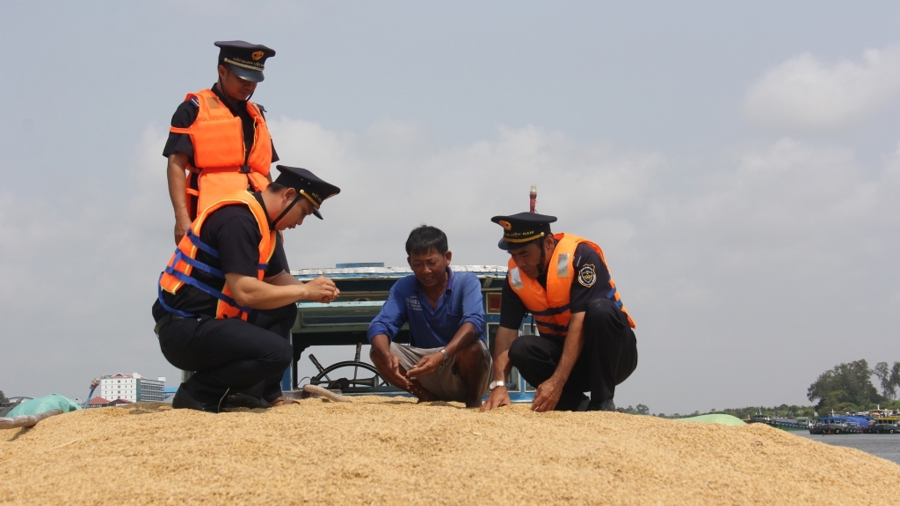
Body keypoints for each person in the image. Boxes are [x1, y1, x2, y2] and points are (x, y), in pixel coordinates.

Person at [152, 165, 341, 412]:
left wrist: (315, 291)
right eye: (303, 212)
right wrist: (305, 292)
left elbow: (276, 277)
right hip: (184, 329)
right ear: (288, 195)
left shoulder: (265, 225)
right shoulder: (238, 219)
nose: (300, 222)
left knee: (284, 309)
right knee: (278, 353)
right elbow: (244, 292)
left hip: (211, 324)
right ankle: (197, 393)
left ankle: (250, 393)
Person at [480, 212, 638, 413]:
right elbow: (506, 332)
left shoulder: (582, 258)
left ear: (548, 243)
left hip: (613, 357)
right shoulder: (515, 277)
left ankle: (602, 402)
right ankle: (577, 405)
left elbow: (579, 322)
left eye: (525, 254)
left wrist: (557, 382)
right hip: (569, 360)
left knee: (601, 311)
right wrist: (499, 385)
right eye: (513, 255)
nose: (519, 262)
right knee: (520, 348)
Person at [163, 40, 279, 245]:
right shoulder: (193, 108)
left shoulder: (257, 115)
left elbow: (264, 170)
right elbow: (176, 164)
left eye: (254, 80)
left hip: (259, 215)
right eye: (242, 78)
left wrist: (276, 220)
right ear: (222, 71)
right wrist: (181, 217)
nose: (249, 86)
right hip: (212, 215)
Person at [367, 226, 492, 408]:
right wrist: (387, 356)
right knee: (377, 351)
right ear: (409, 262)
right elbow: (379, 325)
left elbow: (475, 322)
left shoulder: (467, 282)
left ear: (447, 257)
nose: (425, 271)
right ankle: (425, 396)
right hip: (424, 367)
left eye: (431, 263)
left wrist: (442, 355)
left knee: (473, 348)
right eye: (418, 264)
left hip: (457, 361)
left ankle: (472, 400)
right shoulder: (403, 288)